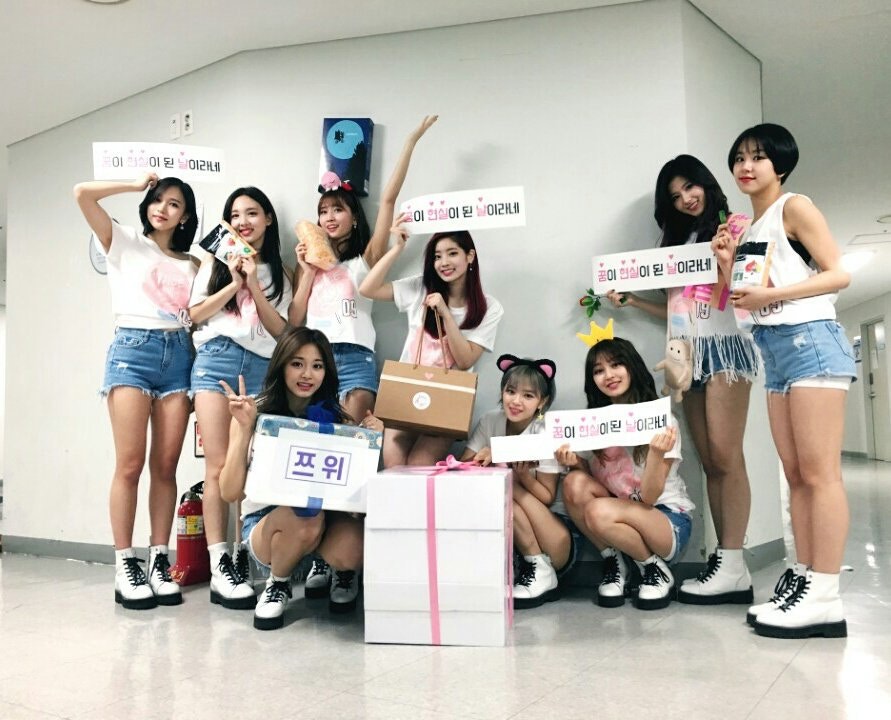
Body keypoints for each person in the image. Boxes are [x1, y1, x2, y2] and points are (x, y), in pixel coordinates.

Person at [713, 123, 855, 638]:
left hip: (810, 340)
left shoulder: (794, 206)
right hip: (773, 349)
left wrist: (771, 296)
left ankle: (826, 594)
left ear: (781, 165)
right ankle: (806, 577)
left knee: (820, 475)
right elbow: (745, 304)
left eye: (758, 157)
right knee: (796, 476)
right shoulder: (751, 227)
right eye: (739, 158)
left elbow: (839, 273)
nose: (746, 166)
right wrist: (727, 265)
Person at [289, 115, 436, 597]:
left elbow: (388, 200)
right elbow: (295, 320)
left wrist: (410, 142)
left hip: (353, 361)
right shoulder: (308, 261)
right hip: (311, 364)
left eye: (338, 209)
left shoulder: (362, 260)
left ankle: (346, 566)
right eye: (323, 211)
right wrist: (306, 271)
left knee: (351, 456)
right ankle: (324, 554)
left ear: (353, 215)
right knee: (316, 458)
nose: (330, 217)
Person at [606, 154, 757, 605]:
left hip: (725, 349)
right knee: (710, 461)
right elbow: (680, 309)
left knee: (727, 458)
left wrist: (727, 254)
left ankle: (734, 561)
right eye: (675, 196)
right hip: (685, 355)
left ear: (706, 184)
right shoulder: (675, 243)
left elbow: (742, 291)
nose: (686, 199)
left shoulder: (736, 226)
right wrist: (634, 302)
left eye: (690, 187)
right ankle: (728, 563)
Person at [73, 172, 198, 609]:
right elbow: (82, 194)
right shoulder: (123, 240)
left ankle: (159, 560)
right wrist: (134, 184)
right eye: (157, 199)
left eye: (174, 204)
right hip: (132, 352)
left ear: (185, 217)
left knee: (165, 467)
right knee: (129, 464)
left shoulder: (192, 263)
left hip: (179, 356)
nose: (163, 208)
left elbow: (198, 313)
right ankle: (125, 563)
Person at [218, 327, 383, 630]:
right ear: (281, 365)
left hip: (322, 524)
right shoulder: (253, 411)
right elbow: (229, 492)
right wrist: (243, 430)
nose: (307, 374)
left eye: (317, 366)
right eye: (297, 363)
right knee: (305, 517)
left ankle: (337, 571)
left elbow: (353, 493)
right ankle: (278, 583)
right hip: (270, 528)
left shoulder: (337, 418)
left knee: (352, 545)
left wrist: (369, 440)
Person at [189, 187, 292, 609]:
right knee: (217, 465)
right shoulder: (214, 263)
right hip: (216, 359)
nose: (243, 221)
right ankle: (220, 565)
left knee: (247, 464)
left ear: (268, 218)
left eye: (251, 213)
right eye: (235, 215)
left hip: (262, 368)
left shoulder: (281, 273)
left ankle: (240, 556)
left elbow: (282, 331)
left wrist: (254, 284)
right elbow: (193, 315)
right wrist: (234, 283)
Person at [562, 338, 694, 610]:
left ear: (632, 366)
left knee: (598, 510)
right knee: (574, 482)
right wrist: (573, 462)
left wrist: (656, 454)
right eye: (599, 370)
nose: (608, 375)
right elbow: (589, 482)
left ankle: (654, 568)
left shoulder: (663, 420)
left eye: (616, 365)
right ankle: (616, 563)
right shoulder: (593, 424)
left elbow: (649, 498)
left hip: (667, 520)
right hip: (618, 517)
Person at [359, 217, 504, 466]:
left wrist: (445, 313)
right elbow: (367, 289)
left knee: (419, 467)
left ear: (470, 256)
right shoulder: (420, 287)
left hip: (447, 403)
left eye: (452, 253)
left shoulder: (489, 307)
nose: (444, 262)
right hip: (405, 396)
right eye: (437, 256)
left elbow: (465, 359)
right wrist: (397, 248)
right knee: (394, 470)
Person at [460, 354, 581, 608]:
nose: (516, 401)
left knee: (503, 481)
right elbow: (463, 469)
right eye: (511, 391)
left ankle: (540, 567)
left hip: (555, 539)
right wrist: (488, 458)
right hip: (513, 536)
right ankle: (532, 565)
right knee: (493, 484)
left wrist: (519, 473)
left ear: (542, 402)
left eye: (528, 396)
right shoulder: (490, 421)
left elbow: (547, 497)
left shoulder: (546, 431)